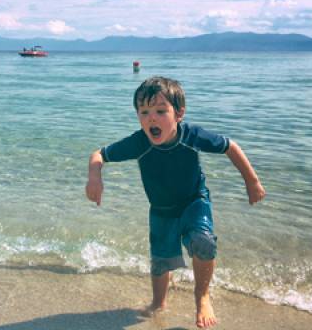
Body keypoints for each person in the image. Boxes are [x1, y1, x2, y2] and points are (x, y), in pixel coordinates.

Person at [85, 76, 265, 328]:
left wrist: (251, 181)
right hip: (161, 211)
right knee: (160, 263)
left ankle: (202, 296)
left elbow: (230, 147)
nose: (151, 118)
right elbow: (99, 154)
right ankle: (159, 302)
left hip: (194, 201)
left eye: (160, 111)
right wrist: (95, 177)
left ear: (179, 113)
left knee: (203, 243)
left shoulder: (191, 136)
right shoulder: (139, 142)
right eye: (144, 112)